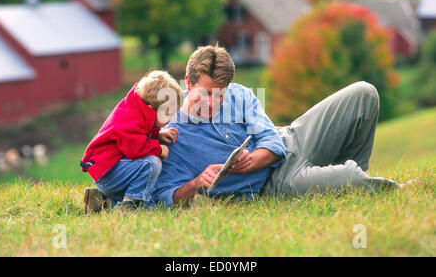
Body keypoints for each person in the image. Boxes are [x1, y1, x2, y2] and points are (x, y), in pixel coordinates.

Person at [153, 45, 423, 207]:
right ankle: (385, 188)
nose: (214, 103)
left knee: (364, 94)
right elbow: (166, 195)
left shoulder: (239, 93)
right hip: (275, 183)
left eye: (220, 96)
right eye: (206, 95)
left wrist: (252, 159)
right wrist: (197, 182)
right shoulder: (171, 132)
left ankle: (353, 183)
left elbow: (271, 141)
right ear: (188, 84)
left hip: (293, 138)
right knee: (349, 178)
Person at [82, 70, 181, 214]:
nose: (171, 118)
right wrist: (158, 149)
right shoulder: (130, 118)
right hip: (108, 174)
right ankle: (131, 206)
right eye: (168, 113)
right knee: (151, 164)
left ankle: (99, 200)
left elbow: (141, 133)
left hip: (113, 171)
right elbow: (136, 149)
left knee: (145, 181)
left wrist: (158, 134)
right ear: (152, 109)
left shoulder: (138, 109)